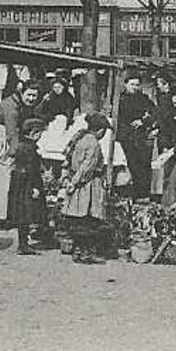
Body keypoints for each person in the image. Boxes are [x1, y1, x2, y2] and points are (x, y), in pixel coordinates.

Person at [61, 113, 112, 263]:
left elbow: (67, 158)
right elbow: (87, 167)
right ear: (101, 131)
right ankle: (86, 252)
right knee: (89, 219)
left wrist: (67, 179)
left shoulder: (79, 138)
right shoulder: (94, 143)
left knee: (78, 219)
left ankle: (77, 250)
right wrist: (75, 182)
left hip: (75, 183)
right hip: (88, 185)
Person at [7, 118, 48, 255]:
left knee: (22, 215)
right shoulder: (29, 149)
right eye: (39, 133)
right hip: (27, 185)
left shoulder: (22, 146)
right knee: (27, 213)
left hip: (20, 184)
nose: (41, 136)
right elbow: (31, 170)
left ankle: (23, 242)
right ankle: (24, 244)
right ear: (33, 133)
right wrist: (35, 187)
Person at [118, 72, 156, 198]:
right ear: (125, 84)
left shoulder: (143, 98)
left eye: (137, 85)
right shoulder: (119, 99)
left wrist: (143, 121)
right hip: (125, 136)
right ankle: (130, 192)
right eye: (132, 84)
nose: (134, 87)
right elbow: (116, 117)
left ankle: (143, 193)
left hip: (141, 136)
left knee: (144, 164)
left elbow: (155, 113)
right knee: (130, 164)